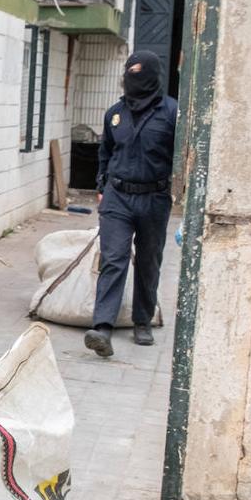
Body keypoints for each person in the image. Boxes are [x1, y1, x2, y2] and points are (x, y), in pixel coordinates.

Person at [84, 50, 179, 357]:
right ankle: (102, 328)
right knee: (114, 258)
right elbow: (105, 152)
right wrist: (102, 185)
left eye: (137, 73)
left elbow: (182, 155)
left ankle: (143, 321)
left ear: (152, 75)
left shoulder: (171, 113)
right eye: (128, 73)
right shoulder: (115, 113)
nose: (130, 79)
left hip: (154, 197)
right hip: (118, 197)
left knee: (149, 260)